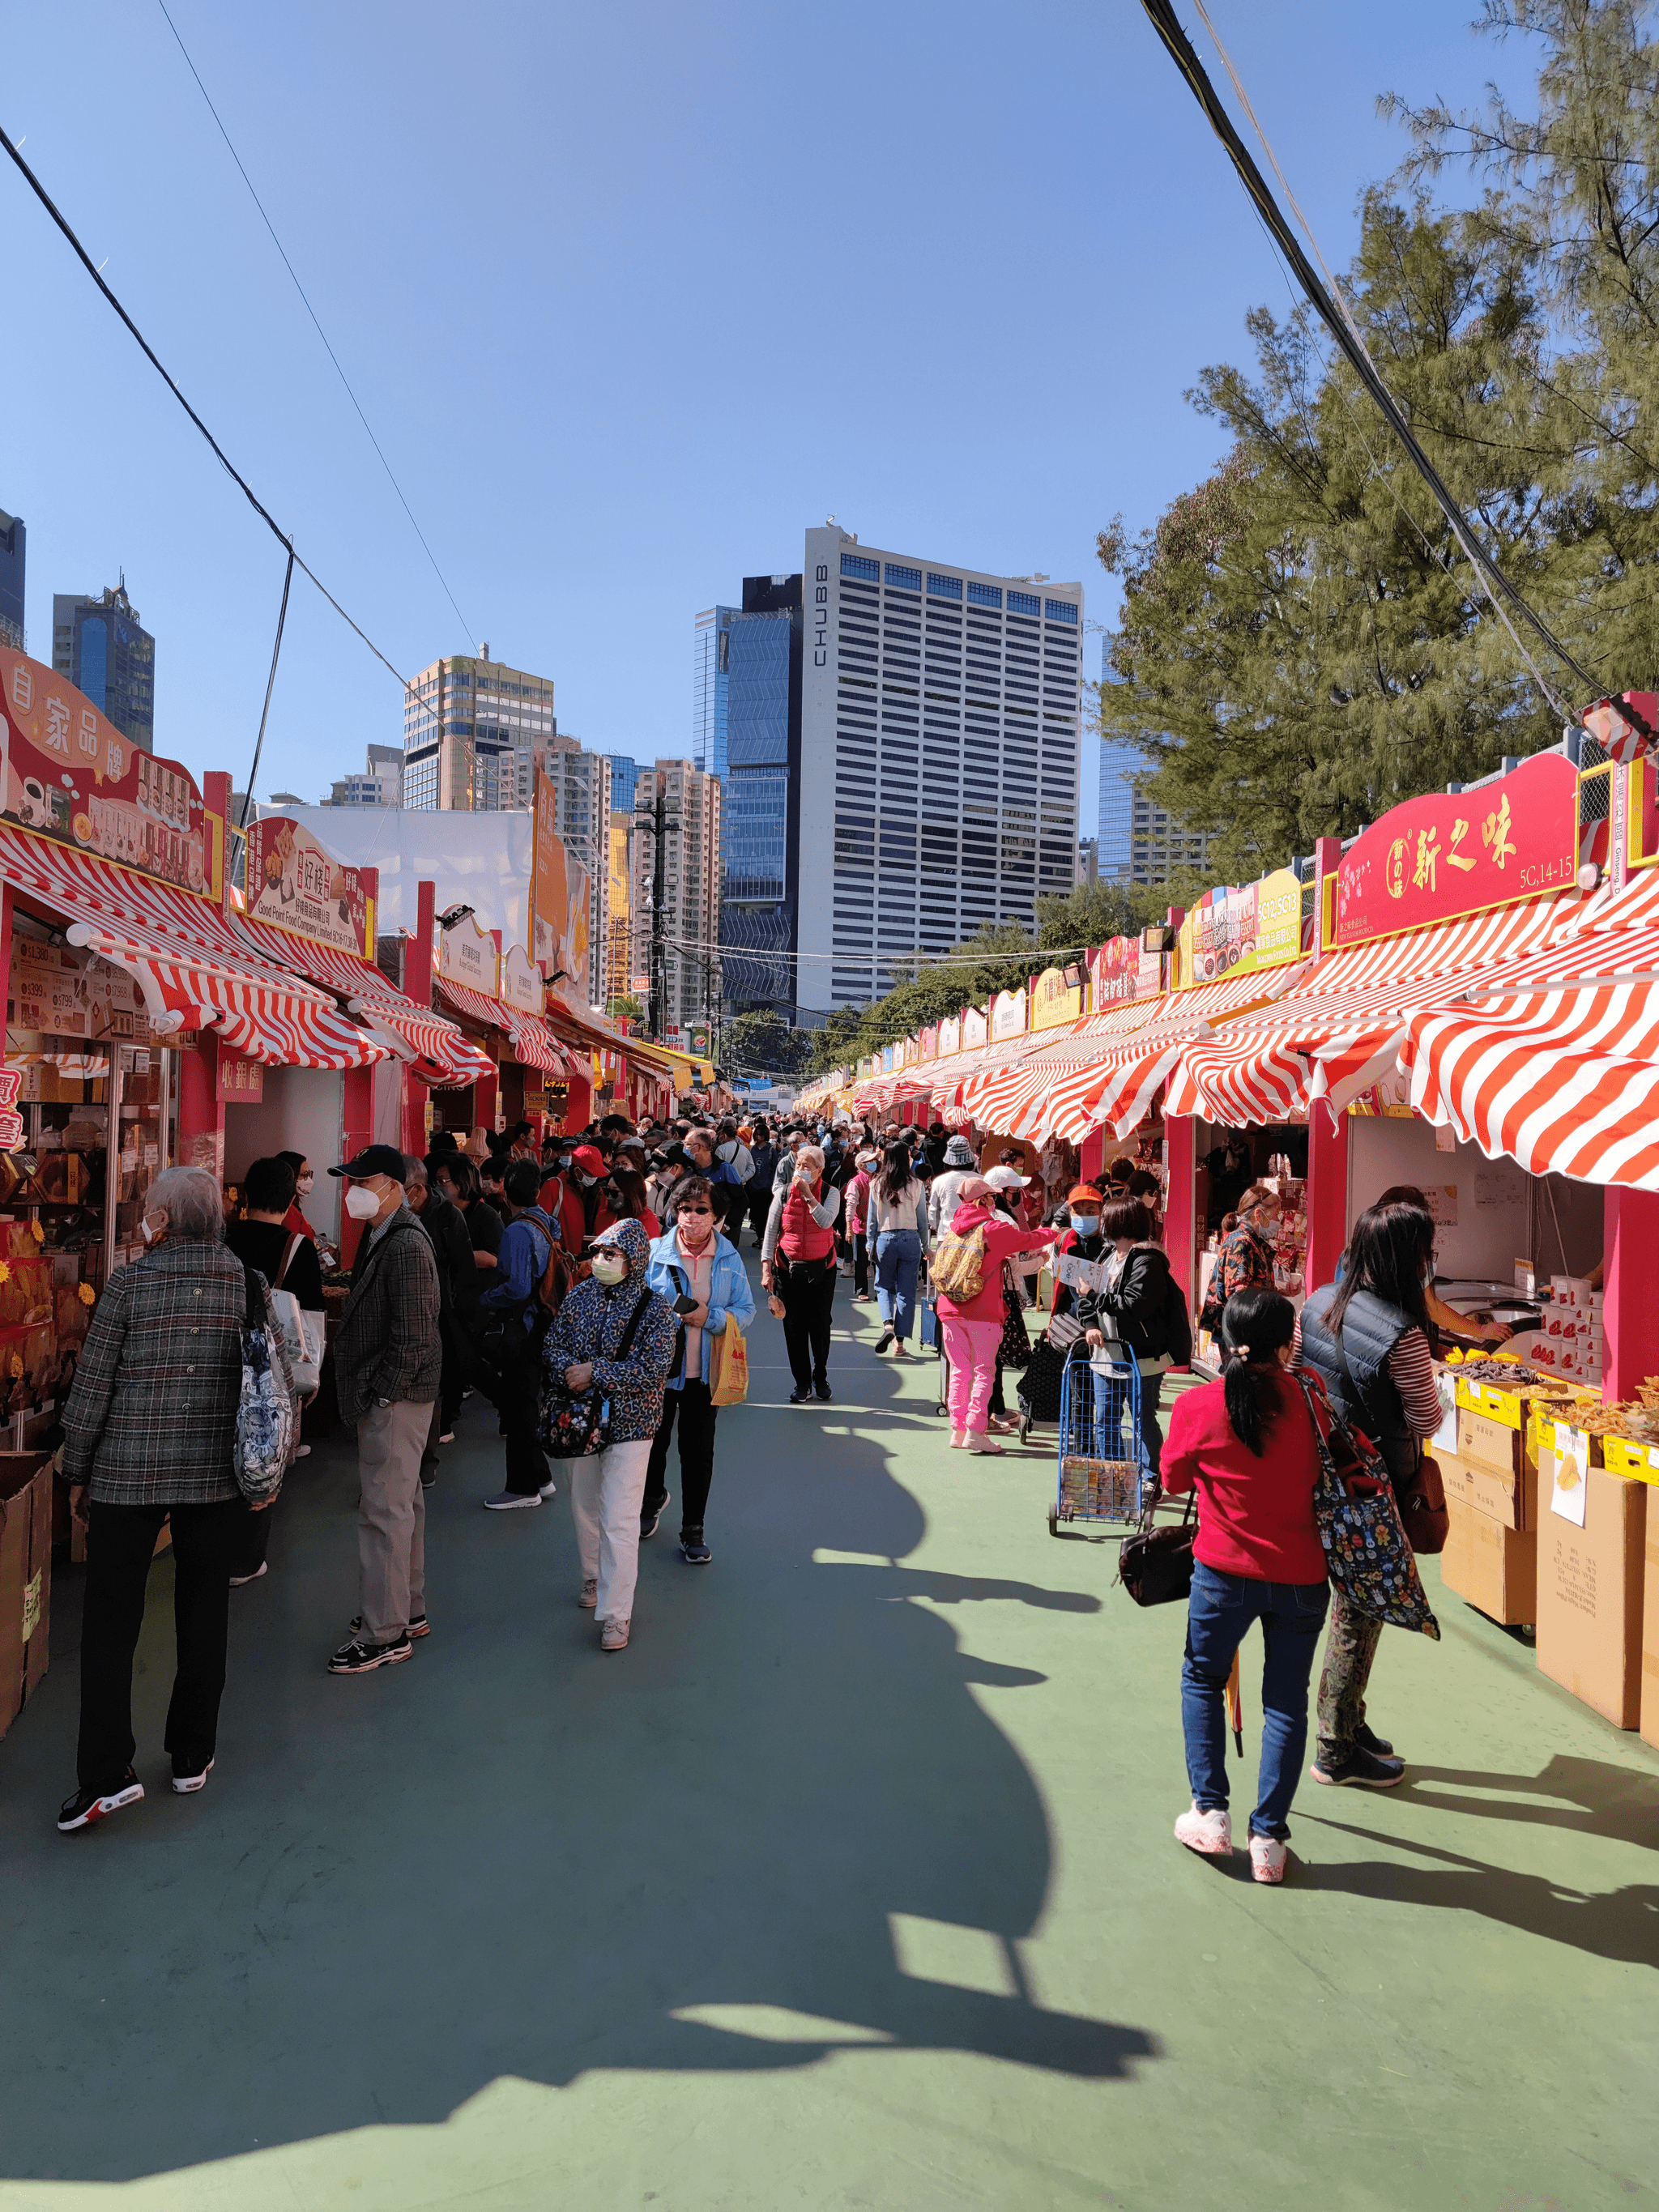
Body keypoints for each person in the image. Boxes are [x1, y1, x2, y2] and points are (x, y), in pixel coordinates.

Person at [55, 1167, 297, 1831]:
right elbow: (271, 1386)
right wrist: (265, 1477)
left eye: (147, 1210)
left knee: (109, 1624)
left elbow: (92, 1389)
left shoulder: (129, 1283)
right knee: (202, 1611)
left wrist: (77, 1471)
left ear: (161, 1220)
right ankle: (192, 1753)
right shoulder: (247, 1284)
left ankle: (105, 1773)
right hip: (214, 1477)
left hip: (126, 1475)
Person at [1161, 1288, 1330, 1884]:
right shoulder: (1314, 1402)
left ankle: (1210, 1810)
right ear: (1288, 1344)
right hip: (1303, 1573)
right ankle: (1269, 1840)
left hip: (1223, 1571)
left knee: (1202, 1678)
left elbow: (1174, 1478)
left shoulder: (1200, 1405)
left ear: (1226, 1339)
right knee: (1285, 1699)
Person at [1295, 1200, 1441, 1788]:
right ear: (1411, 1258)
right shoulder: (1403, 1335)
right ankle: (1334, 1746)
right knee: (1360, 1609)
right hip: (1374, 1484)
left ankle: (1350, 1719)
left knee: (1355, 1601)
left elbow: (1308, 1377)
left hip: (1324, 1470)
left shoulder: (1318, 1301)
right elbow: (1426, 1421)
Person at [326, 1145, 441, 1674]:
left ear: (396, 1186)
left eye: (365, 1181)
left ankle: (384, 1632)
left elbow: (415, 1334)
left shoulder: (405, 1244)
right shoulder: (381, 1235)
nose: (354, 1191)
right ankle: (405, 1609)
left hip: (397, 1398)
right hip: (398, 1395)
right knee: (402, 1507)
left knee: (384, 1511)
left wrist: (384, 1392)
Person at [544, 1217, 678, 1649]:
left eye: (611, 1253)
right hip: (580, 1422)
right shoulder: (579, 1297)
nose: (600, 1259)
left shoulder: (656, 1310)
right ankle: (591, 1577)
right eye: (599, 1251)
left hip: (631, 1425)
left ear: (635, 1261)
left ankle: (617, 1614)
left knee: (619, 1518)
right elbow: (552, 1344)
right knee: (583, 1505)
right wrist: (568, 1372)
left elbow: (654, 1369)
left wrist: (595, 1371)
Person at [640, 1175, 756, 1562]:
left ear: (718, 1216)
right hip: (658, 1372)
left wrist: (709, 1317)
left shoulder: (729, 1257)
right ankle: (652, 1498)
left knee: (698, 1452)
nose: (691, 1217)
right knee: (653, 1444)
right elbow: (635, 1307)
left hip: (705, 1375)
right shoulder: (655, 1252)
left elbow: (747, 1310)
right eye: (684, 1209)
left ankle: (693, 1528)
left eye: (701, 1210)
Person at [224, 1154, 324, 1575]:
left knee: (223, 1445)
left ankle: (215, 1547)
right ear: (289, 1202)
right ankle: (246, 1559)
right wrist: (311, 1375)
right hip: (271, 1366)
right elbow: (311, 1322)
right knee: (265, 1447)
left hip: (223, 1356)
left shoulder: (223, 1238)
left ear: (246, 1196)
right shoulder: (297, 1248)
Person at [933, 1176, 1056, 1452]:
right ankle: (976, 1430)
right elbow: (1028, 1240)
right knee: (984, 1371)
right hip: (983, 1311)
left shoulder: (954, 1227)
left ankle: (959, 1429)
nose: (994, 1201)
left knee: (960, 1372)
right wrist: (1054, 1232)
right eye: (991, 1197)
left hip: (949, 1308)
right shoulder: (993, 1228)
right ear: (984, 1200)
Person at [478, 1158, 560, 1511]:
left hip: (521, 1327)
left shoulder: (514, 1230)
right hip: (541, 1322)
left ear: (504, 1192)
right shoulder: (544, 1223)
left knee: (519, 1405)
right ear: (538, 1191)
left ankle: (522, 1487)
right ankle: (541, 1476)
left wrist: (483, 1299)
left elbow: (516, 1287)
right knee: (526, 1399)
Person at [405, 1157, 479, 1474]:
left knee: (430, 1390)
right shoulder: (382, 1220)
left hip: (438, 1317)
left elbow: (464, 1274)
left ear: (416, 1190)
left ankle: (425, 1463)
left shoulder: (449, 1217)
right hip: (399, 1316)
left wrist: (460, 1322)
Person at [761, 1141, 842, 1404]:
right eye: (799, 1164)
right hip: (788, 1269)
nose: (801, 1169)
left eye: (808, 1166)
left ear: (819, 1170)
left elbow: (826, 1221)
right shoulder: (783, 1194)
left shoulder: (831, 1193)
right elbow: (771, 1231)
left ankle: (821, 1376)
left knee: (820, 1325)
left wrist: (808, 1194)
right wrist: (766, 1268)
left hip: (823, 1270)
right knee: (794, 1327)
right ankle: (802, 1383)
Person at [871, 1140, 929, 1357]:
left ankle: (888, 1325)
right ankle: (900, 1343)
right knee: (907, 1291)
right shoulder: (916, 1184)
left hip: (885, 1237)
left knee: (884, 1285)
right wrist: (925, 1246)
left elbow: (872, 1221)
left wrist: (870, 1244)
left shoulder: (877, 1183)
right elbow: (922, 1219)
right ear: (906, 1159)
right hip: (910, 1238)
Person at [1201, 1184, 1281, 1335]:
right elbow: (1239, 1295)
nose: (1279, 1222)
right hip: (1241, 1333)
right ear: (1258, 1215)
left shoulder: (1252, 1241)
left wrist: (1279, 1293)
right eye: (1276, 1215)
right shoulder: (1241, 1243)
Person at [845, 1144, 879, 1302]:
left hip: (880, 1227)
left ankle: (881, 1290)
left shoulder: (879, 1179)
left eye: (874, 1161)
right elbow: (851, 1206)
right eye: (869, 1162)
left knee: (881, 1261)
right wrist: (849, 1229)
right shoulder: (856, 1182)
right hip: (862, 1227)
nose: (873, 1163)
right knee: (861, 1262)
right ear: (860, 1166)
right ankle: (861, 1289)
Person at [928, 1134, 977, 1240]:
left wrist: (935, 1227)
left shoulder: (939, 1181)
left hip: (946, 1234)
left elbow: (933, 1210)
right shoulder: (981, 1179)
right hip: (975, 1236)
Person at [744, 1121, 779, 1247]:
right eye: (757, 1135)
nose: (759, 1137)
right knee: (756, 1215)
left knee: (765, 1214)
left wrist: (770, 1184)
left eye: (761, 1135)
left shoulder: (771, 1150)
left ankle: (765, 1238)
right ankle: (760, 1237)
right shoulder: (752, 1150)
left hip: (766, 1188)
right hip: (753, 1186)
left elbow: (774, 1168)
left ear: (766, 1135)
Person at [608, 1166, 662, 1240]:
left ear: (630, 1193)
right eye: (607, 1190)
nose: (609, 1195)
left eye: (615, 1191)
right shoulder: (603, 1216)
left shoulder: (647, 1221)